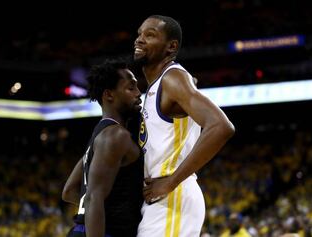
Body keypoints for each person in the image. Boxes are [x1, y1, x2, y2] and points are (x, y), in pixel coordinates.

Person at [133, 15, 235, 237]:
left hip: (173, 197)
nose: (139, 40)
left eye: (150, 35)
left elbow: (221, 126)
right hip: (161, 199)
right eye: (139, 34)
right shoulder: (155, 86)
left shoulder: (173, 78)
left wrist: (171, 181)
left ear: (171, 47)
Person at [62, 58, 144, 237]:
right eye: (131, 88)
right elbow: (92, 199)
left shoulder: (100, 135)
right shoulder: (116, 136)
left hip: (83, 230)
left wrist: (108, 212)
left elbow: (69, 191)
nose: (139, 93)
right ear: (109, 95)